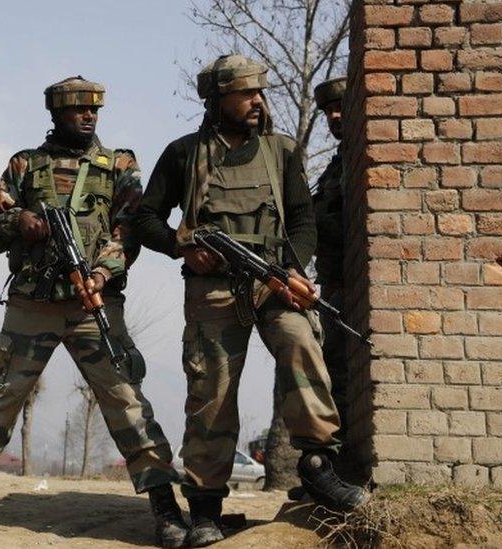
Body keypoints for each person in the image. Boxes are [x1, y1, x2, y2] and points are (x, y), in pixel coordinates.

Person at [0, 76, 189, 548]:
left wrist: (103, 274)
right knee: (2, 394)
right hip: (33, 302)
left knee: (126, 401)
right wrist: (18, 221)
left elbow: (128, 229)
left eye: (94, 111)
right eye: (78, 111)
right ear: (56, 114)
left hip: (94, 303)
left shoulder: (119, 165)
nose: (89, 117)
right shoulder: (26, 165)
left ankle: (164, 505)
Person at [133, 55, 366, 546]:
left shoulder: (281, 151)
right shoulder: (183, 154)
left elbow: (302, 222)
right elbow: (144, 218)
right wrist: (182, 245)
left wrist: (293, 270)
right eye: (246, 93)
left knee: (303, 346)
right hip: (212, 291)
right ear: (218, 100)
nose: (258, 101)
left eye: (260, 92)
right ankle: (204, 508)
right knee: (211, 393)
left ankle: (319, 464)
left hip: (273, 283)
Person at [311, 77, 350, 448]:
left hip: (350, 288)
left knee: (339, 373)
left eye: (339, 107)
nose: (334, 116)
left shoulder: (359, 159)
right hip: (334, 285)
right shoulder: (338, 163)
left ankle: (342, 461)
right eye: (327, 112)